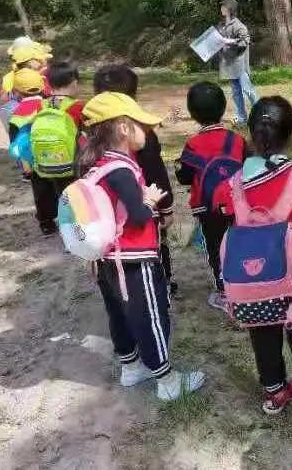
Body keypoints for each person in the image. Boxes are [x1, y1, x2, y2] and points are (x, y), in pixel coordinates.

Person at [214, 96, 292, 431]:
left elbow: (223, 215)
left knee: (262, 336)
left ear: (251, 133)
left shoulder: (233, 184)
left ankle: (275, 393)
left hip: (251, 281)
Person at [79, 91, 205, 401]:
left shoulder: (95, 166)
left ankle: (131, 367)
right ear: (123, 128)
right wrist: (149, 201)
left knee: (119, 315)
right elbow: (138, 216)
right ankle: (167, 380)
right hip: (134, 261)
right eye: (141, 125)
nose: (146, 132)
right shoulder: (122, 170)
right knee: (150, 316)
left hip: (106, 259)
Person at [93, 64, 177, 296]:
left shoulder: (91, 133)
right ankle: (162, 282)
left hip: (105, 218)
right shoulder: (141, 135)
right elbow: (155, 172)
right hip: (142, 209)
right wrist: (166, 208)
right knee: (155, 246)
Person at [175, 81, 248, 309]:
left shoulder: (193, 144)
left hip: (207, 208)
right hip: (238, 204)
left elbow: (185, 176)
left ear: (193, 113)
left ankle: (225, 293)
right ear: (223, 108)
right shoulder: (236, 140)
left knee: (215, 246)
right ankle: (247, 282)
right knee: (239, 242)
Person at [26, 61, 84, 236]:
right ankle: (74, 222)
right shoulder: (77, 107)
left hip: (43, 159)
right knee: (71, 192)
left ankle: (46, 223)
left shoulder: (40, 105)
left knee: (43, 190)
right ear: (74, 83)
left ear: (49, 84)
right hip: (68, 162)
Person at [217, 0, 258, 126]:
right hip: (230, 65)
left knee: (248, 90)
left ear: (230, 9)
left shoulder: (238, 25)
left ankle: (262, 113)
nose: (221, 8)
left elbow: (245, 40)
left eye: (224, 6)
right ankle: (242, 119)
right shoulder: (221, 25)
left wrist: (230, 41)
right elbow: (218, 41)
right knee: (236, 93)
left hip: (240, 65)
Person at [8, 68, 46, 182]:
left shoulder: (15, 116)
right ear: (42, 86)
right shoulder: (49, 105)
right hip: (57, 157)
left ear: (16, 91)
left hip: (33, 167)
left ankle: (27, 171)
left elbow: (15, 148)